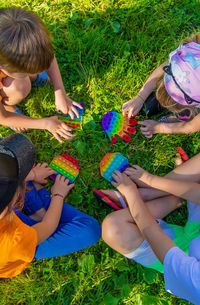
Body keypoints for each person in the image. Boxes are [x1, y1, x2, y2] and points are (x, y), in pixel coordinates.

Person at [100, 154, 200, 304]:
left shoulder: (194, 280)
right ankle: (156, 194)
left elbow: (152, 232)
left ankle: (175, 198)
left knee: (113, 229)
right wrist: (150, 181)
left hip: (178, 254)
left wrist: (132, 193)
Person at [0, 133, 101, 278]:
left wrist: (32, 174)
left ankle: (35, 208)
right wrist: (57, 195)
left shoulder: (6, 207)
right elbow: (48, 225)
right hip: (21, 244)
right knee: (90, 230)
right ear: (14, 200)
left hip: (12, 222)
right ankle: (39, 208)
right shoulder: (15, 239)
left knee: (6, 151)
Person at [0, 7, 83, 142]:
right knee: (21, 87)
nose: (40, 71)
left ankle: (30, 77)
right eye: (29, 72)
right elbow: (3, 118)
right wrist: (45, 123)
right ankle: (8, 105)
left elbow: (48, 56)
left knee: (24, 78)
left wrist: (60, 92)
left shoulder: (31, 41)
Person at [122, 34, 200, 138]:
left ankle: (182, 115)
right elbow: (164, 67)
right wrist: (140, 97)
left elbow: (190, 127)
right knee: (147, 108)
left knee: (187, 116)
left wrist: (159, 127)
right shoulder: (188, 54)